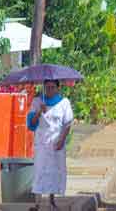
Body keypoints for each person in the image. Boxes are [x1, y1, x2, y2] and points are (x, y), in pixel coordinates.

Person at [27, 79, 73, 211]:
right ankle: (37, 203)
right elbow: (31, 124)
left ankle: (52, 201)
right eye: (47, 87)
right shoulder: (37, 102)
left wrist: (62, 140)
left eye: (52, 87)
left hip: (56, 143)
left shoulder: (64, 103)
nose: (49, 90)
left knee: (54, 172)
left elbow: (67, 123)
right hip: (41, 143)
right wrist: (38, 112)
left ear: (58, 88)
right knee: (40, 171)